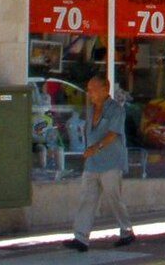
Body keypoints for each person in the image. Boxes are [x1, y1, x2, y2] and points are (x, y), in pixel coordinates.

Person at [71, 76, 134, 252]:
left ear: (105, 89)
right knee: (87, 198)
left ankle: (126, 231)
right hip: (92, 163)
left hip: (111, 162)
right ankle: (81, 238)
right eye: (88, 89)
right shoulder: (91, 109)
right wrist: (88, 150)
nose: (89, 93)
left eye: (93, 89)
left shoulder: (117, 110)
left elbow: (113, 134)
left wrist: (95, 148)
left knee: (114, 197)